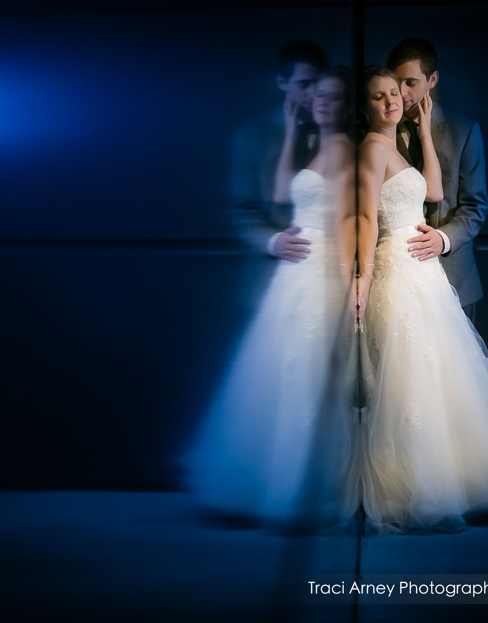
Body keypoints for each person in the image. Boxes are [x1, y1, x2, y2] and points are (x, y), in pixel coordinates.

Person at [354, 66, 488, 534]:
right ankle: (414, 488)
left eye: (395, 93)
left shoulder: (398, 145)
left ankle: (457, 482)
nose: (390, 102)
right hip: (396, 268)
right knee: (408, 378)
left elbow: (434, 192)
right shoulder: (373, 147)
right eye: (378, 97)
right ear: (365, 107)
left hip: (425, 272)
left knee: (440, 374)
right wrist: (363, 278)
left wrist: (421, 129)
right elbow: (364, 217)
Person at [184, 68, 359, 528]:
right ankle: (279, 482)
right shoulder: (314, 142)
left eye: (335, 98)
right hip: (293, 269)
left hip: (322, 266)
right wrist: (288, 131)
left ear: (347, 105)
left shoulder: (342, 148)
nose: (324, 102)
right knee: (282, 373)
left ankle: (313, 486)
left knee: (314, 374)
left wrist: (345, 281)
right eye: (319, 95)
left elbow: (347, 222)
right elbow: (283, 194)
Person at [387, 39, 487, 321]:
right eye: (396, 82)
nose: (401, 93)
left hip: (454, 279)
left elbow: (475, 207)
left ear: (432, 79)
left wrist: (442, 239)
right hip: (396, 279)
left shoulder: (463, 131)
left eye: (411, 82)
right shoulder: (376, 133)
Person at [230, 40, 329, 265]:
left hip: (332, 265)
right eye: (304, 84)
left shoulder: (345, 132)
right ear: (282, 83)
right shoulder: (253, 136)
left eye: (319, 83)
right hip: (273, 266)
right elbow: (245, 210)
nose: (314, 93)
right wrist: (273, 242)